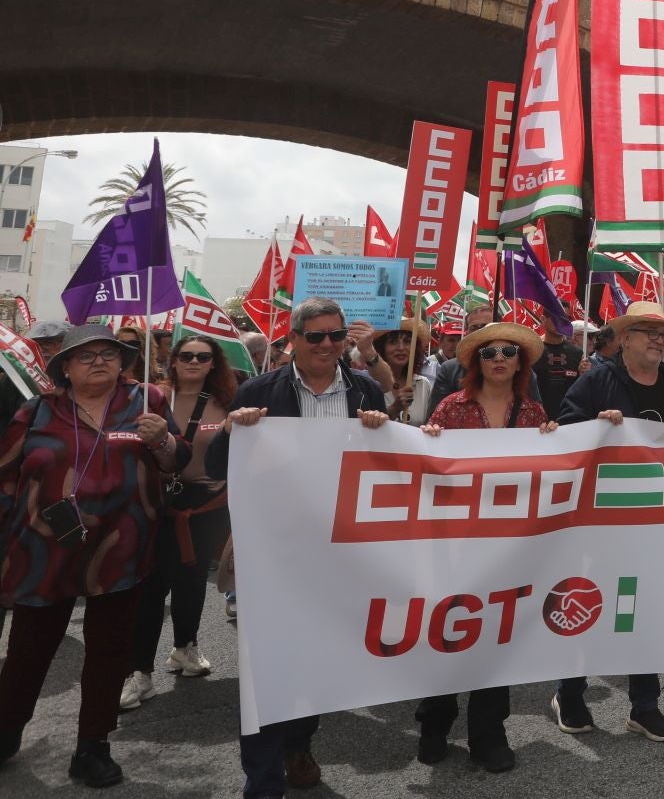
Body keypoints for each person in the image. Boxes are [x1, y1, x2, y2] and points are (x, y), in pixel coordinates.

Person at [208, 298, 392, 799]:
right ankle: (262, 779)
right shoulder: (259, 391)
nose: (327, 345)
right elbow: (219, 466)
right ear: (293, 339)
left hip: (340, 552)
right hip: (275, 552)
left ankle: (298, 743)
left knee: (315, 658)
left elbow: (390, 466)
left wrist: (383, 432)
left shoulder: (365, 390)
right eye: (315, 336)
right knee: (266, 664)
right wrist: (231, 429)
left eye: (336, 335)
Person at [0, 326, 181, 786]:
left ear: (122, 363)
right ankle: (6, 730)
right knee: (27, 651)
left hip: (122, 550)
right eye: (85, 355)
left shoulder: (148, 401)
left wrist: (162, 440)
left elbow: (174, 462)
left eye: (108, 353)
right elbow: (5, 477)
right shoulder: (36, 411)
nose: (99, 361)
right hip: (44, 551)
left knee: (109, 652)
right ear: (65, 367)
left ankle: (93, 746)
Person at [413, 322, 556, 772]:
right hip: (454, 542)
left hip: (507, 544)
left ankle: (488, 733)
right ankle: (434, 724)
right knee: (446, 628)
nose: (498, 359)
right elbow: (428, 467)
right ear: (476, 362)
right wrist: (426, 439)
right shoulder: (451, 408)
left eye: (508, 352)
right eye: (489, 352)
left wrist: (557, 438)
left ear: (520, 363)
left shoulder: (533, 414)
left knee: (496, 633)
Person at [551, 301, 664, 740]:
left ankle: (644, 706)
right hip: (599, 518)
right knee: (588, 603)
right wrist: (594, 425)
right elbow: (564, 432)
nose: (660, 340)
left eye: (663, 334)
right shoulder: (597, 381)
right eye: (650, 332)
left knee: (643, 608)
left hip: (653, 517)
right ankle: (570, 694)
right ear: (625, 338)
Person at [125, 335, 237, 712]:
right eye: (186, 355)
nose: (194, 362)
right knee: (150, 585)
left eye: (203, 357)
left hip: (206, 505)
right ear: (172, 360)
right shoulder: (151, 397)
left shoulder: (228, 402)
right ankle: (139, 671)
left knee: (191, 582)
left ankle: (185, 647)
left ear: (213, 363)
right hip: (157, 501)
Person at [532, 315, 584, 417]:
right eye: (556, 316)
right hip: (537, 421)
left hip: (570, 419)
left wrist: (584, 375)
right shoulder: (531, 352)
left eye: (565, 318)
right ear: (543, 319)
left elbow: (582, 392)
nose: (561, 321)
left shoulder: (578, 353)